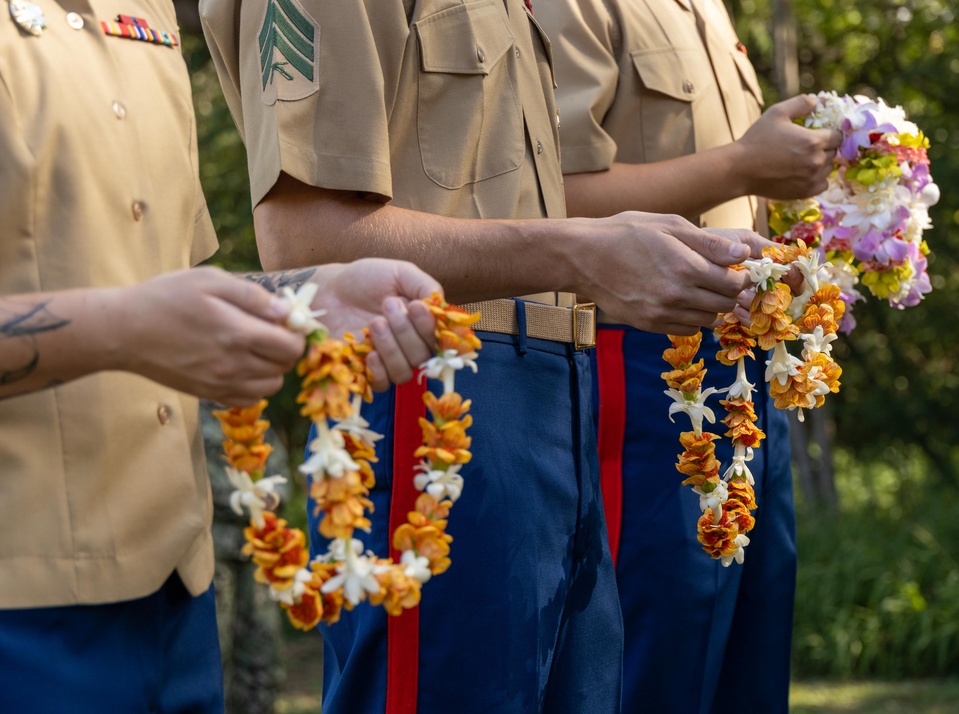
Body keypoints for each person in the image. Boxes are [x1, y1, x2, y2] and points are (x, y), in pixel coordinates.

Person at [201, 1, 775, 711]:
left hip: (558, 389)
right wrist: (580, 251)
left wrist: (612, 245)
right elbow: (304, 240)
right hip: (431, 385)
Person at [0, 2, 444, 711]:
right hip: (21, 607)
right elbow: (130, 314)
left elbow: (150, 285)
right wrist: (123, 328)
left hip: (177, 594)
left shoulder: (140, 13)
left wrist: (307, 295)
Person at [532, 1, 841, 712]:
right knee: (654, 653)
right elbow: (554, 200)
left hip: (748, 363)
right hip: (646, 363)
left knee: (747, 656)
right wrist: (742, 166)